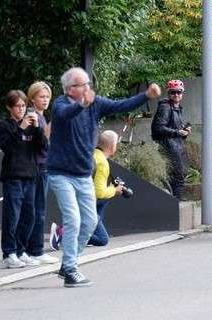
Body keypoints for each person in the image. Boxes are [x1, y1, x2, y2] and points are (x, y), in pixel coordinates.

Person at [47, 67, 161, 287]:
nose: (88, 87)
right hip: (61, 174)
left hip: (82, 175)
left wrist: (146, 95)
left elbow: (121, 105)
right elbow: (64, 116)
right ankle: (70, 270)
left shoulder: (95, 104)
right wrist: (82, 105)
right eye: (83, 84)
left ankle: (67, 264)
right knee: (73, 219)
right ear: (71, 89)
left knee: (89, 222)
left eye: (88, 83)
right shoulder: (61, 104)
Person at [0, 90, 48, 268]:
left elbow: (44, 147)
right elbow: (9, 148)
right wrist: (21, 128)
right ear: (9, 107)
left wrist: (38, 129)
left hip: (30, 177)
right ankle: (8, 254)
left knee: (29, 217)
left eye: (24, 106)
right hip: (13, 177)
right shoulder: (5, 126)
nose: (21, 109)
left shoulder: (31, 125)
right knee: (12, 216)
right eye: (17, 106)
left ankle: (20, 251)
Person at [24, 81, 58, 264]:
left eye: (47, 97)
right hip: (37, 167)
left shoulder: (41, 117)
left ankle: (32, 249)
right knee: (37, 210)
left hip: (42, 166)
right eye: (41, 97)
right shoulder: (32, 116)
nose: (45, 100)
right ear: (32, 98)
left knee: (37, 209)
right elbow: (39, 142)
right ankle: (34, 250)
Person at [151, 80, 191, 200]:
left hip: (176, 146)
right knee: (177, 178)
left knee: (176, 177)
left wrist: (184, 130)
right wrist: (177, 132)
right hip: (168, 146)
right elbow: (158, 128)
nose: (176, 95)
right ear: (168, 93)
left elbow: (175, 129)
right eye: (173, 92)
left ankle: (173, 202)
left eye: (179, 92)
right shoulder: (165, 107)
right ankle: (176, 205)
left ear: (182, 93)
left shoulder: (177, 108)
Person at [88, 130, 124, 246]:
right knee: (102, 239)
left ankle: (92, 226)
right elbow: (99, 193)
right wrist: (115, 190)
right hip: (87, 202)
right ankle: (65, 233)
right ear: (113, 146)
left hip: (80, 198)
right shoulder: (103, 163)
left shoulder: (93, 154)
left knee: (106, 198)